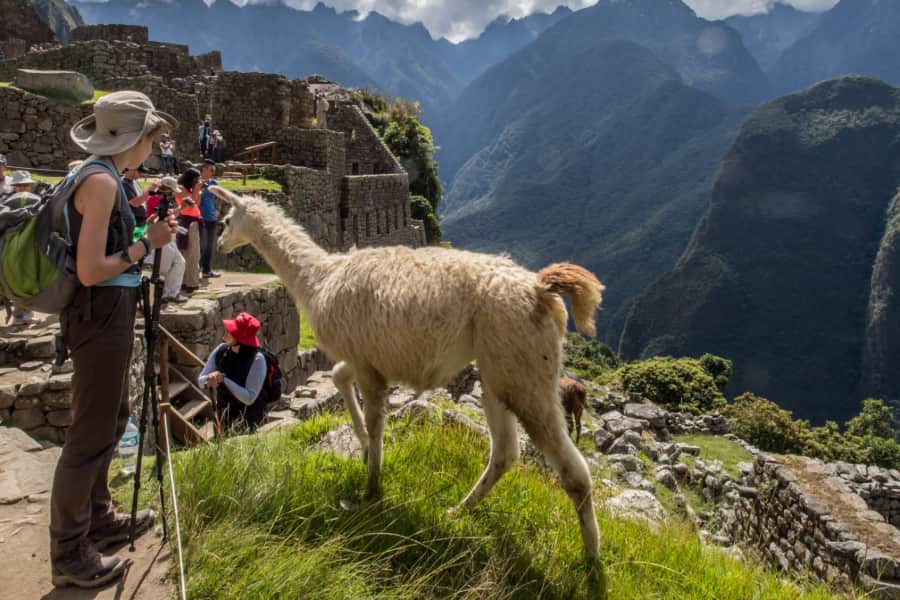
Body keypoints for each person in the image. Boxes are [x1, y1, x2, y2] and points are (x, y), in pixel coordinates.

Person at [49, 91, 178, 589]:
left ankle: (97, 518)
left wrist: (141, 218)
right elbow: (89, 269)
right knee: (89, 435)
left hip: (107, 313)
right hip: (99, 312)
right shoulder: (101, 184)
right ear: (137, 138)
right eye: (153, 136)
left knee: (112, 417)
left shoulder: (106, 179)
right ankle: (69, 551)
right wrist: (149, 244)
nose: (156, 144)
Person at [198, 312, 270, 430]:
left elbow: (249, 398)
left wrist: (224, 380)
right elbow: (201, 381)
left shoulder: (258, 360)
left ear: (240, 339)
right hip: (223, 418)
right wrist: (210, 378)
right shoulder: (221, 350)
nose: (226, 332)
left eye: (230, 331)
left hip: (250, 422)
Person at [3, 170, 41, 326]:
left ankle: (24, 313)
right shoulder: (7, 202)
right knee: (21, 279)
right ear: (15, 187)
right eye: (20, 185)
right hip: (15, 247)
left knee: (23, 279)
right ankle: (20, 315)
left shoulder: (35, 200)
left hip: (25, 246)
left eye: (25, 185)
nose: (23, 188)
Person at [145, 177, 187, 304]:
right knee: (162, 269)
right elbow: (157, 218)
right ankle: (162, 295)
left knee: (180, 263)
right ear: (167, 189)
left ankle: (171, 293)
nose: (174, 193)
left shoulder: (167, 200)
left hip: (168, 235)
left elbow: (170, 214)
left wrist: (182, 207)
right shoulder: (155, 199)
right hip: (160, 235)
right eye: (172, 190)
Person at [176, 168, 203, 293]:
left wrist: (197, 191)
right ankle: (189, 282)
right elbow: (190, 203)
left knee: (194, 253)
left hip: (194, 222)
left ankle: (191, 280)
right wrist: (196, 190)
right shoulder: (180, 188)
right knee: (189, 253)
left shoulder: (192, 190)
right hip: (187, 222)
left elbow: (197, 202)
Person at [198, 159, 220, 279]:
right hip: (200, 218)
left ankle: (207, 270)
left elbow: (220, 196)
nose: (213, 172)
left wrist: (218, 209)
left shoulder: (214, 183)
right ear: (204, 169)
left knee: (209, 245)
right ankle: (196, 270)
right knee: (200, 245)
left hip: (211, 217)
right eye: (211, 170)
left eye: (214, 170)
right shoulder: (197, 182)